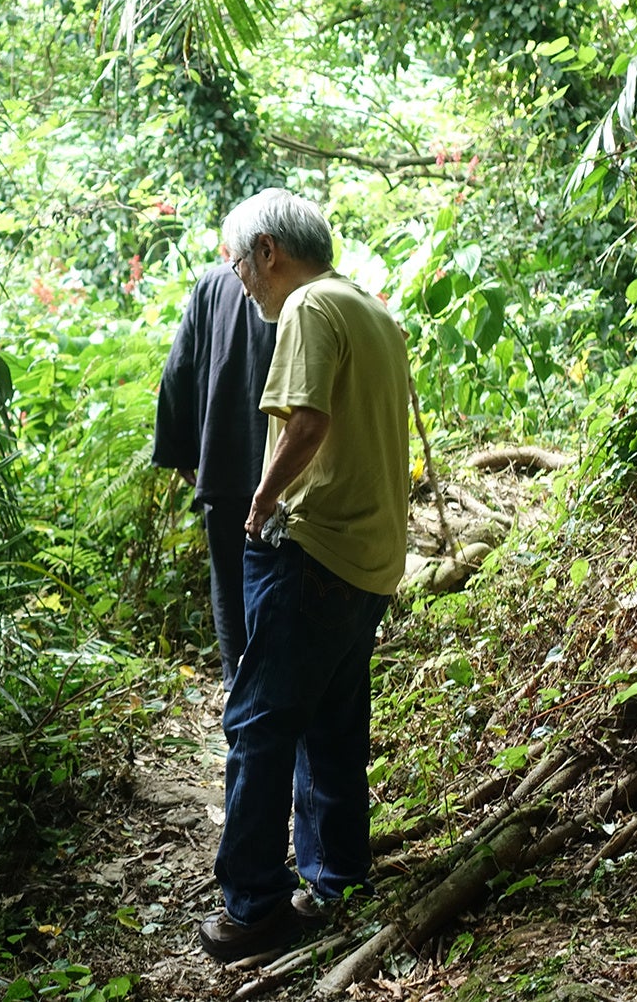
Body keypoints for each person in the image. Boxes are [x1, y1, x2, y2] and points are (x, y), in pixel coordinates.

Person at [197, 189, 410, 962]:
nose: (237, 279)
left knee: (257, 723)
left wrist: (258, 504)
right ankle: (336, 875)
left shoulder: (309, 309)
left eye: (236, 262)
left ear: (267, 251)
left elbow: (308, 422)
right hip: (370, 557)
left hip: (313, 549)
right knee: (331, 721)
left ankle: (251, 908)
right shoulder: (369, 309)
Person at [152, 263, 276, 689]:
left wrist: (182, 450)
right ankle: (267, 691)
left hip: (222, 461)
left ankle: (235, 684)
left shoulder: (211, 284)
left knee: (229, 579)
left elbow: (178, 369)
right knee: (278, 580)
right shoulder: (298, 284)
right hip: (282, 463)